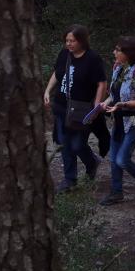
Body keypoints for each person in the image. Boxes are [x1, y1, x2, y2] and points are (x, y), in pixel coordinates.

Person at [44, 25, 107, 193]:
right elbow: (57, 73)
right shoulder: (64, 54)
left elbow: (101, 82)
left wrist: (96, 105)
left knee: (78, 145)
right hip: (62, 106)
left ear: (81, 41)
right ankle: (70, 179)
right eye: (66, 41)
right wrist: (47, 90)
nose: (69, 44)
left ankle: (92, 162)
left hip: (81, 108)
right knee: (65, 144)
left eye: (72, 41)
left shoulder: (92, 58)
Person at [98, 37, 135, 205]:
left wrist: (122, 104)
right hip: (120, 119)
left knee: (122, 159)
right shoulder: (118, 69)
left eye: (118, 50)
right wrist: (104, 104)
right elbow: (114, 95)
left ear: (128, 53)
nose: (114, 52)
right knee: (114, 158)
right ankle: (116, 192)